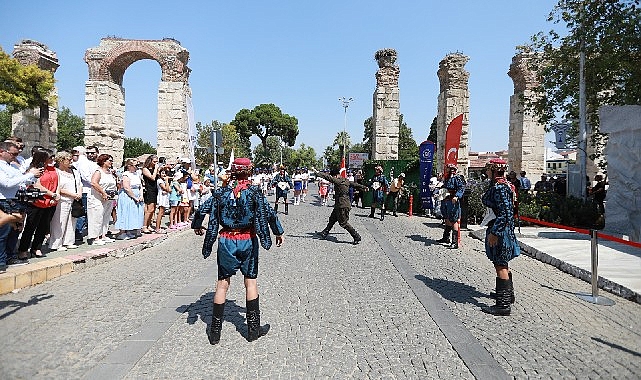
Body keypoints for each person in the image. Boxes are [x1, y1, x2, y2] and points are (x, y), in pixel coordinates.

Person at [192, 158, 284, 344]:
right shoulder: (255, 193)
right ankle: (253, 330)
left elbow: (201, 209)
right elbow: (270, 214)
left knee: (222, 284)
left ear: (232, 172)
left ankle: (215, 332)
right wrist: (278, 231)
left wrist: (197, 225)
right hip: (247, 240)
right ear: (249, 172)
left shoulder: (220, 193)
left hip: (226, 240)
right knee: (250, 283)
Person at [481, 159, 519, 316]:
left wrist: (495, 232)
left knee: (500, 264)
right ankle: (507, 295)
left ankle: (503, 305)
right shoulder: (505, 185)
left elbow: (505, 213)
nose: (486, 173)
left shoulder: (500, 188)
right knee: (503, 263)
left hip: (501, 231)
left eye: (488, 170)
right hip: (505, 229)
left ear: (493, 171)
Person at [0, 141, 43, 268]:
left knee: (15, 231)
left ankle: (10, 257)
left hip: (15, 200)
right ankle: (1, 260)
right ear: (2, 152)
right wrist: (29, 175)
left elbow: (22, 182)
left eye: (17, 153)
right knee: (3, 233)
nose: (16, 156)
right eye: (13, 153)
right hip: (4, 200)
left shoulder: (13, 166)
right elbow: (6, 183)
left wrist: (34, 176)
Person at [18, 148, 59, 259]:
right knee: (30, 226)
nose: (52, 159)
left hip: (49, 202)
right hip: (37, 201)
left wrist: (55, 195)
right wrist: (52, 194)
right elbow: (37, 185)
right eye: (50, 157)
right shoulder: (35, 169)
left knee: (43, 226)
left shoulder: (52, 169)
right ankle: (23, 249)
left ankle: (37, 248)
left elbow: (57, 182)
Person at [313, 167, 368, 244]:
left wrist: (318, 173)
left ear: (335, 175)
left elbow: (328, 177)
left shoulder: (338, 181)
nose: (333, 178)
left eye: (333, 176)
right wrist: (363, 187)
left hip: (342, 205)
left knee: (343, 223)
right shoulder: (345, 180)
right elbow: (354, 184)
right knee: (332, 219)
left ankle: (356, 236)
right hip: (340, 204)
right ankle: (325, 232)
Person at [48, 151, 82, 251]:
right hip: (62, 200)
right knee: (59, 222)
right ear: (61, 160)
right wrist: (72, 194)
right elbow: (57, 187)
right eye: (68, 159)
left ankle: (69, 241)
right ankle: (56, 243)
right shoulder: (57, 172)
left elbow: (79, 184)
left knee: (72, 221)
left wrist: (79, 193)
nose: (71, 161)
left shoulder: (74, 172)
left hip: (74, 200)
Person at [87, 154, 117, 245]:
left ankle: (103, 235)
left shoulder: (110, 172)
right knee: (97, 216)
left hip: (109, 197)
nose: (111, 162)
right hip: (97, 197)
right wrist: (103, 193)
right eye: (110, 160)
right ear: (104, 161)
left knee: (106, 216)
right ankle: (95, 237)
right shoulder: (98, 171)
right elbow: (94, 183)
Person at [74, 145, 99, 242]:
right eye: (88, 153)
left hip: (94, 190)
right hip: (86, 190)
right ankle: (78, 233)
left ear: (97, 153)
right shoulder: (84, 163)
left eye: (93, 153)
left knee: (92, 213)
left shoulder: (95, 163)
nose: (90, 155)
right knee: (84, 213)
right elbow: (86, 177)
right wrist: (97, 184)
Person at [115, 159, 144, 239]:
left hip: (136, 194)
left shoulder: (136, 174)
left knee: (133, 213)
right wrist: (134, 197)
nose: (137, 167)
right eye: (135, 165)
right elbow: (126, 187)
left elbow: (140, 185)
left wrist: (141, 195)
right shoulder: (126, 175)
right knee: (125, 212)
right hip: (128, 196)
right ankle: (122, 232)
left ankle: (129, 230)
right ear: (129, 166)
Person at [438, 164, 464, 242]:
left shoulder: (457, 178)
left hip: (452, 201)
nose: (447, 170)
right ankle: (446, 238)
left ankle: (455, 241)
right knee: (447, 219)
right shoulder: (447, 178)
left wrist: (456, 196)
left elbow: (461, 188)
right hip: (445, 200)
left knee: (454, 219)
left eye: (448, 169)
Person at [141, 154, 161, 234]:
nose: (156, 163)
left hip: (155, 189)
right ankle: (144, 226)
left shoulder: (155, 169)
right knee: (150, 209)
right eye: (154, 162)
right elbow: (152, 178)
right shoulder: (145, 169)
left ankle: (149, 225)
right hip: (149, 189)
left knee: (153, 209)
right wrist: (156, 169)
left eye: (157, 162)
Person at [154, 168, 171, 233]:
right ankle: (157, 228)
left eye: (165, 173)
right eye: (163, 173)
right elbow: (165, 188)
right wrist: (166, 182)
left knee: (162, 213)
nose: (164, 175)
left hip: (165, 198)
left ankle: (159, 227)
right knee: (160, 213)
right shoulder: (160, 181)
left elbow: (169, 190)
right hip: (161, 198)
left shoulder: (164, 181)